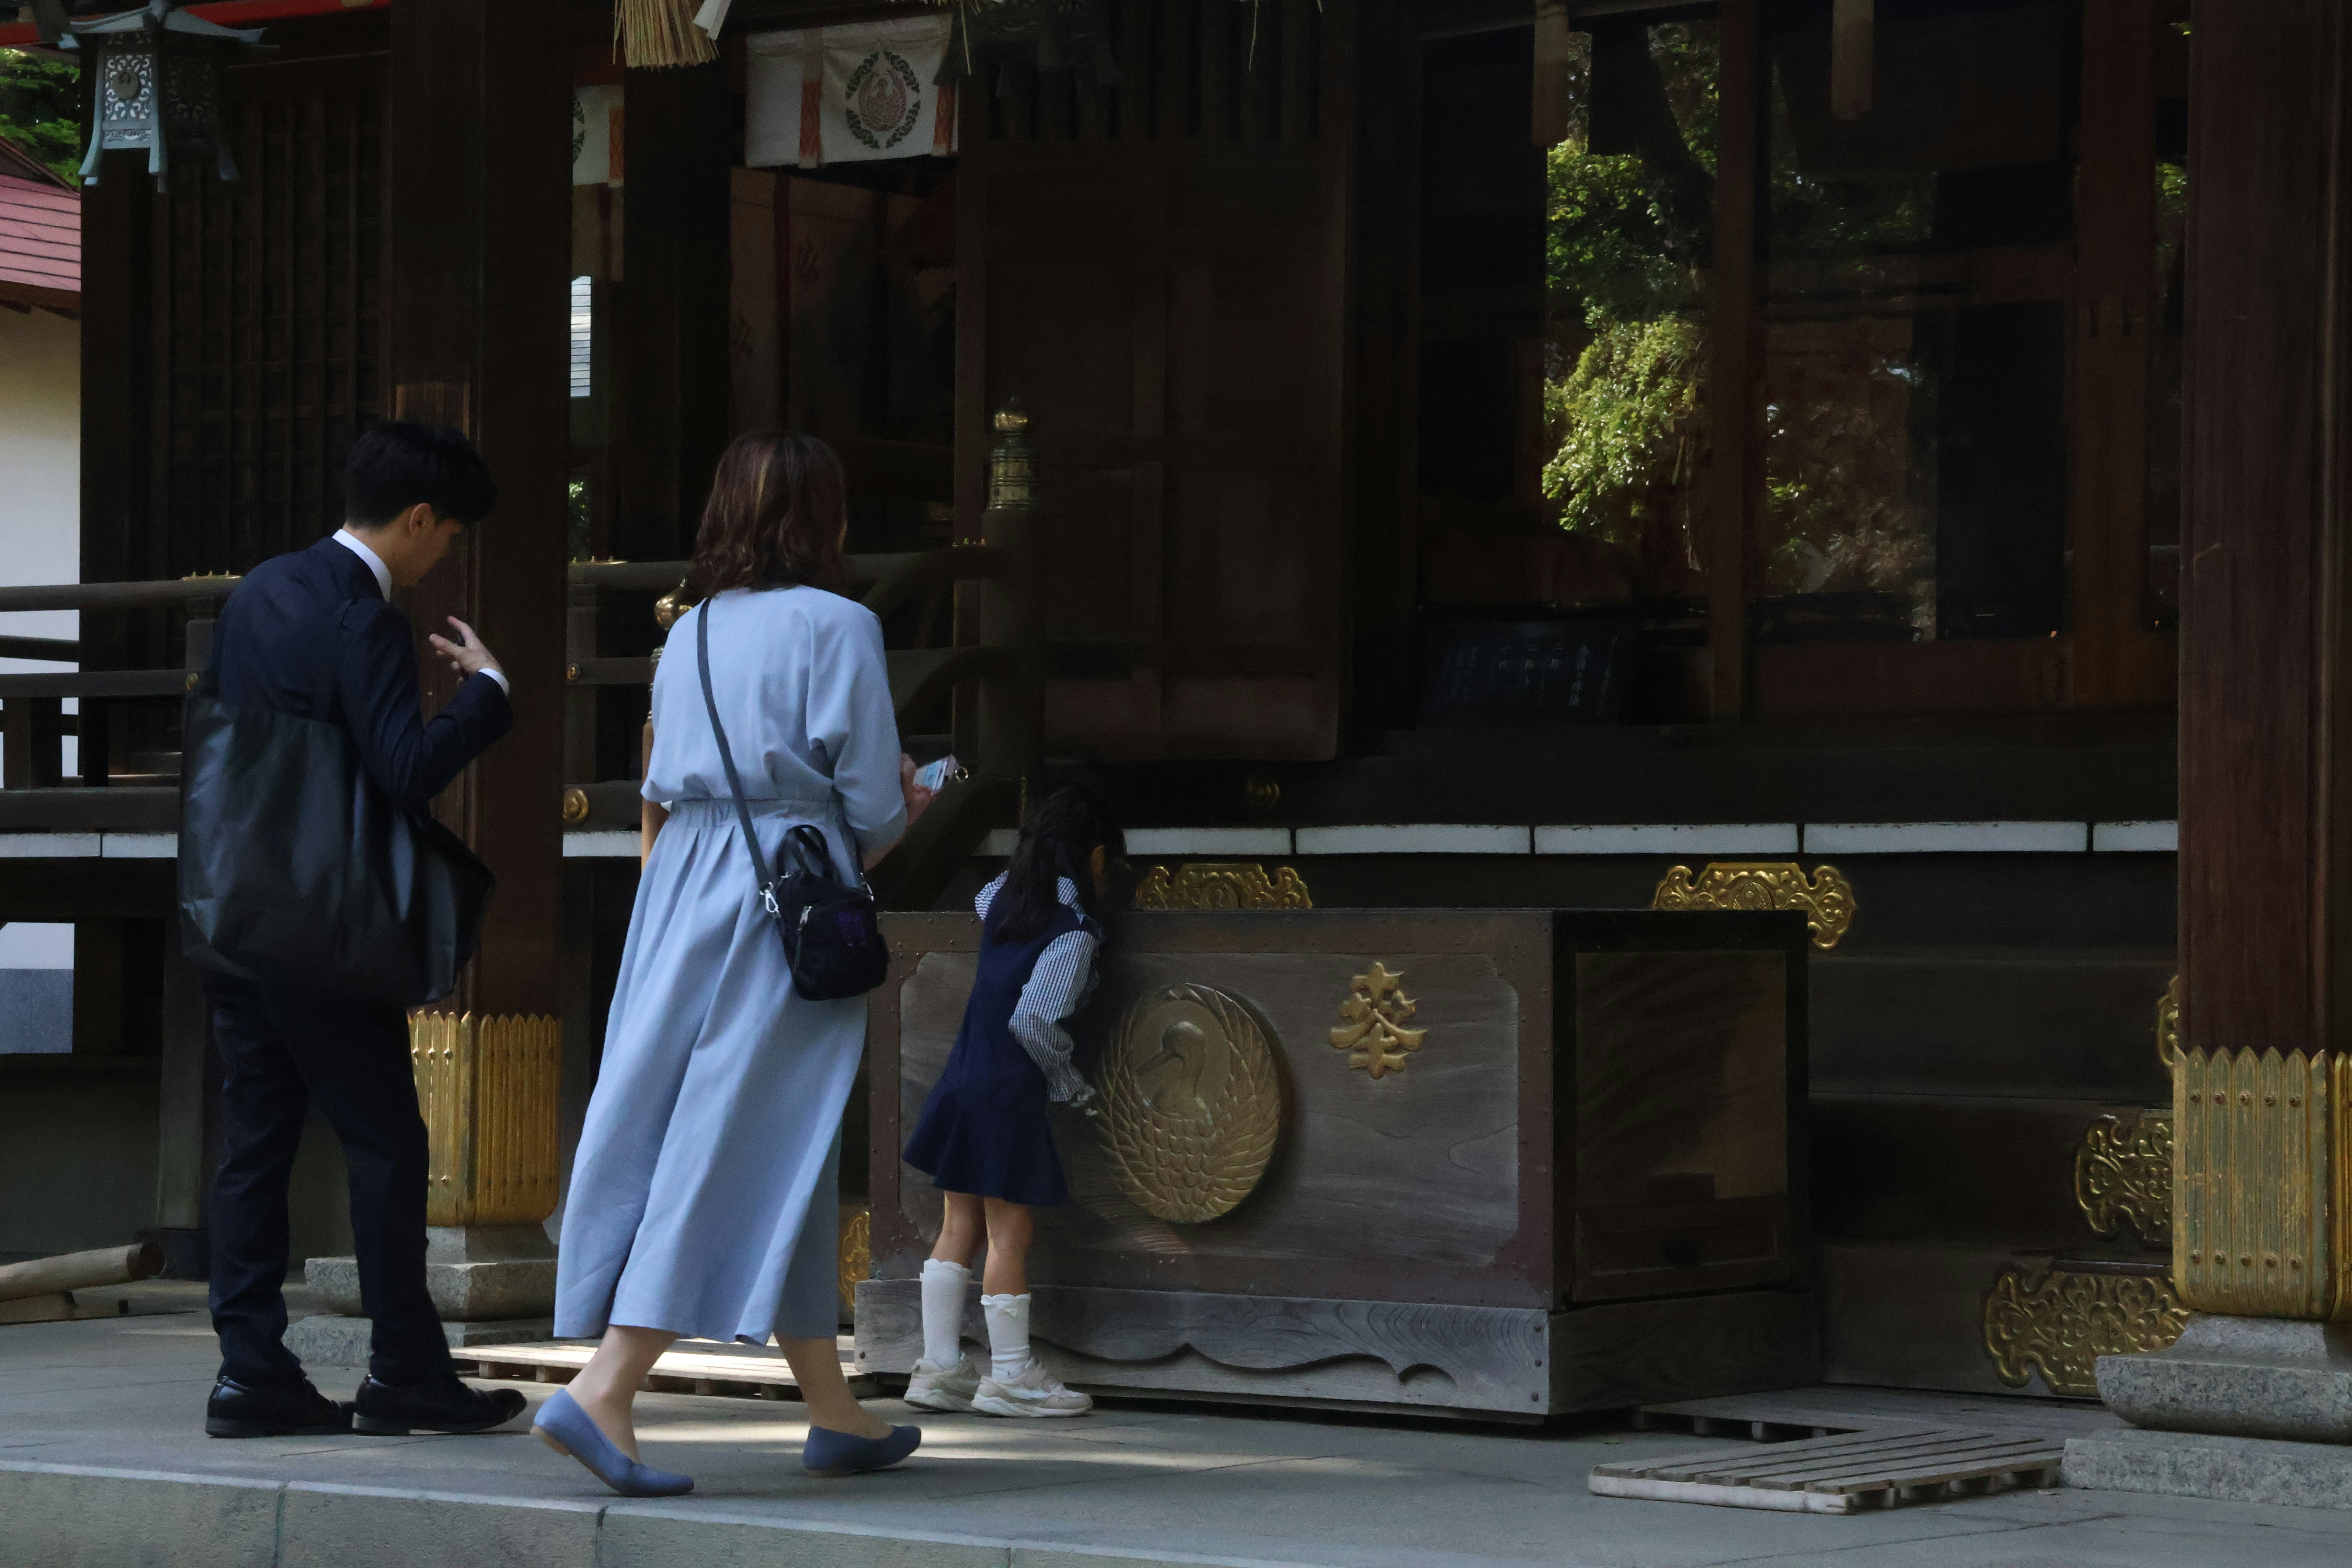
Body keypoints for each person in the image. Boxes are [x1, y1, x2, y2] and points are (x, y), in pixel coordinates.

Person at [538, 431, 933, 1497]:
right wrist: (912, 806)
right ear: (826, 519)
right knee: (731, 1139)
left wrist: (668, 913)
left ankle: (833, 1409)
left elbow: (657, 795)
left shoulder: (692, 632)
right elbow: (870, 810)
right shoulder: (842, 626)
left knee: (761, 1133)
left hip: (680, 893)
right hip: (785, 894)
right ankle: (605, 1388)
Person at [198, 422, 526, 1441]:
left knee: (255, 1145)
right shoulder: (363, 620)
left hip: (231, 911)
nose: (444, 559)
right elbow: (407, 769)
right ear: (418, 518)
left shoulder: (259, 591)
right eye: (448, 537)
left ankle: (251, 1372)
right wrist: (488, 698)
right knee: (387, 1143)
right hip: (323, 931)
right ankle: (404, 1372)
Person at [899, 786, 1126, 1419]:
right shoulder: (1074, 932)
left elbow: (984, 899)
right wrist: (1067, 1079)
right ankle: (1011, 1377)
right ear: (1099, 858)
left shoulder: (999, 899)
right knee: (1010, 1230)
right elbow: (1034, 1021)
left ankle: (939, 1369)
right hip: (1007, 1092)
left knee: (958, 1226)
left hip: (963, 1079)